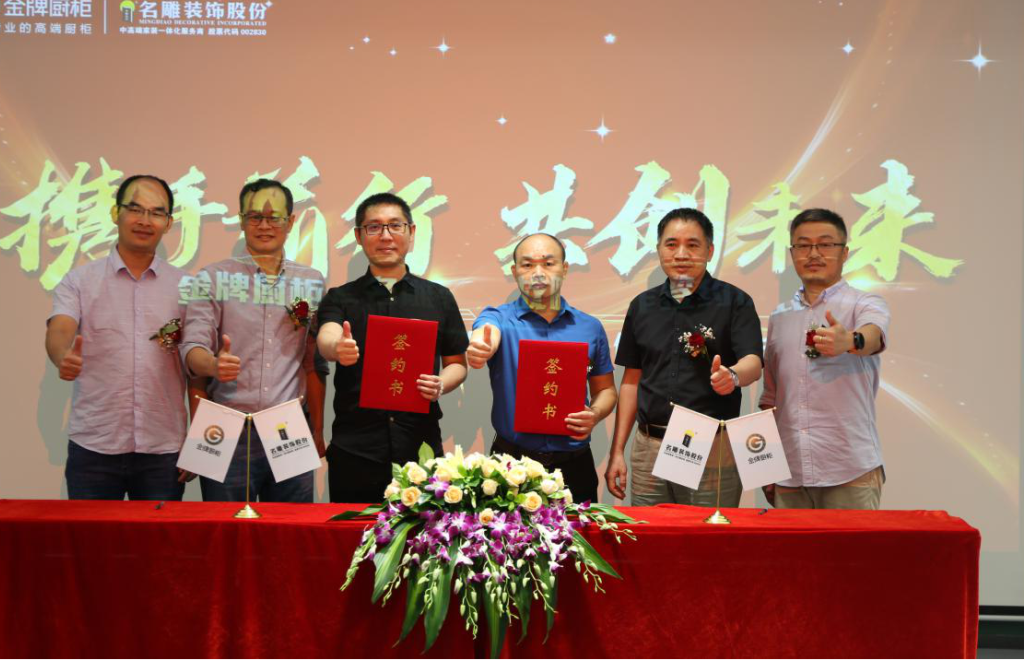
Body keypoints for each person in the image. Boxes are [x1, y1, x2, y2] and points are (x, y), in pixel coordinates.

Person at [604, 207, 763, 506]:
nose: (681, 254)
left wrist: (732, 376)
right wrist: (617, 452)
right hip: (649, 447)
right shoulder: (642, 306)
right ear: (659, 249)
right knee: (650, 533)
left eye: (692, 245)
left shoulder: (734, 302)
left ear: (710, 251)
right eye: (671, 244)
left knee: (707, 533)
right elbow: (631, 382)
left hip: (710, 446)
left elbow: (753, 363)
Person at [181, 178, 327, 503]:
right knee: (224, 528)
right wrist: (213, 365)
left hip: (289, 425)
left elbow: (312, 362)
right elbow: (192, 350)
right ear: (241, 220)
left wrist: (317, 430)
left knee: (292, 527)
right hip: (225, 425)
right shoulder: (212, 278)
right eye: (254, 217)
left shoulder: (311, 281)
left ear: (290, 221)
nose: (264, 226)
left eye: (274, 217)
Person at [46, 174, 191, 500]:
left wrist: (197, 442)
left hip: (162, 448)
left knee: (159, 536)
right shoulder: (80, 281)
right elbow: (60, 328)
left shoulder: (187, 287)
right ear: (116, 213)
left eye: (156, 212)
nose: (145, 221)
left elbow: (195, 366)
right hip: (94, 446)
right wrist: (61, 355)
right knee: (91, 536)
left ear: (168, 223)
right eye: (135, 209)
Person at [317, 193, 468, 503]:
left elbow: (457, 363)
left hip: (420, 449)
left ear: (411, 233)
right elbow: (326, 337)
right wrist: (337, 347)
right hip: (356, 450)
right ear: (359, 236)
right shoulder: (341, 297)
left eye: (395, 226)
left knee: (424, 534)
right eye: (374, 227)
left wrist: (442, 383)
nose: (385, 236)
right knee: (352, 533)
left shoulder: (438, 297)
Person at [467, 233, 616, 503]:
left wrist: (594, 415)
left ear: (564, 269)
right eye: (527, 265)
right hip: (511, 465)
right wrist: (481, 346)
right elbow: (486, 332)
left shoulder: (590, 327)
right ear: (514, 271)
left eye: (548, 264)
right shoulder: (499, 318)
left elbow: (606, 390)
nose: (538, 273)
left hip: (574, 465)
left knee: (579, 531)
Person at [759, 208, 889, 509]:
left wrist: (851, 341)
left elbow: (874, 335)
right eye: (803, 245)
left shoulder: (864, 303)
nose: (813, 253)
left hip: (849, 470)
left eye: (826, 244)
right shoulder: (780, 317)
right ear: (792, 253)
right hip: (789, 475)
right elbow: (771, 399)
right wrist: (767, 467)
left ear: (844, 252)